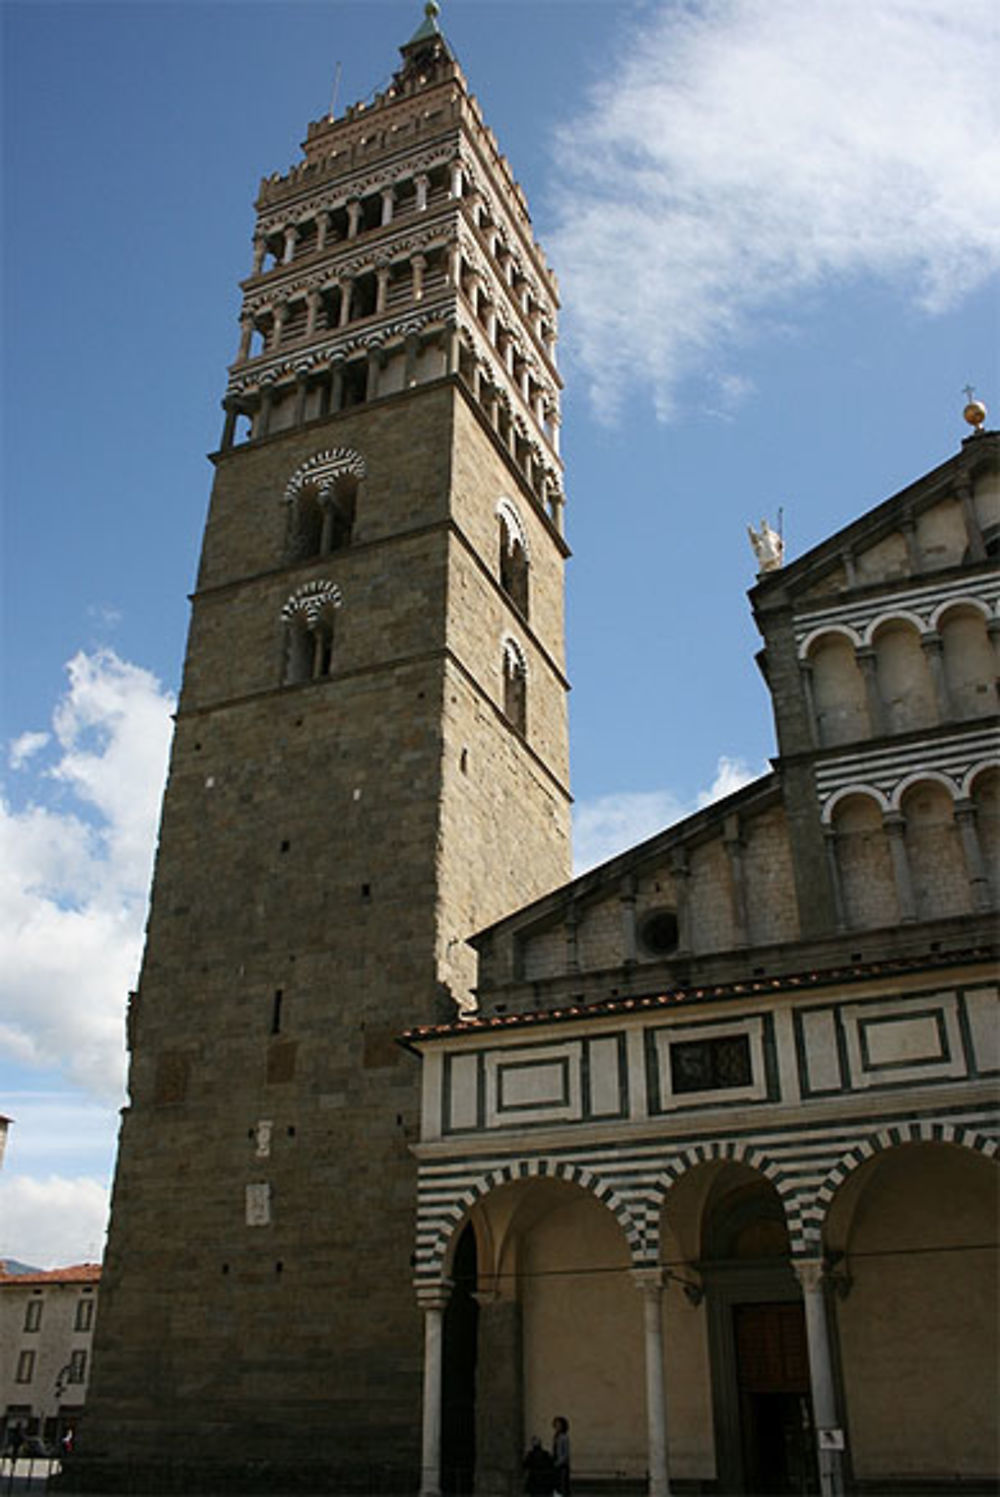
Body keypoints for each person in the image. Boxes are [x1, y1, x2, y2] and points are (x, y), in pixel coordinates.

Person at [552, 1416, 570, 1497]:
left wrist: (558, 1462)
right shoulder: (556, 1436)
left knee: (562, 1485)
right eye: (556, 1424)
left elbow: (565, 1453)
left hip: (562, 1465)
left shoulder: (564, 1437)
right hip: (556, 1463)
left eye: (559, 1424)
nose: (557, 1426)